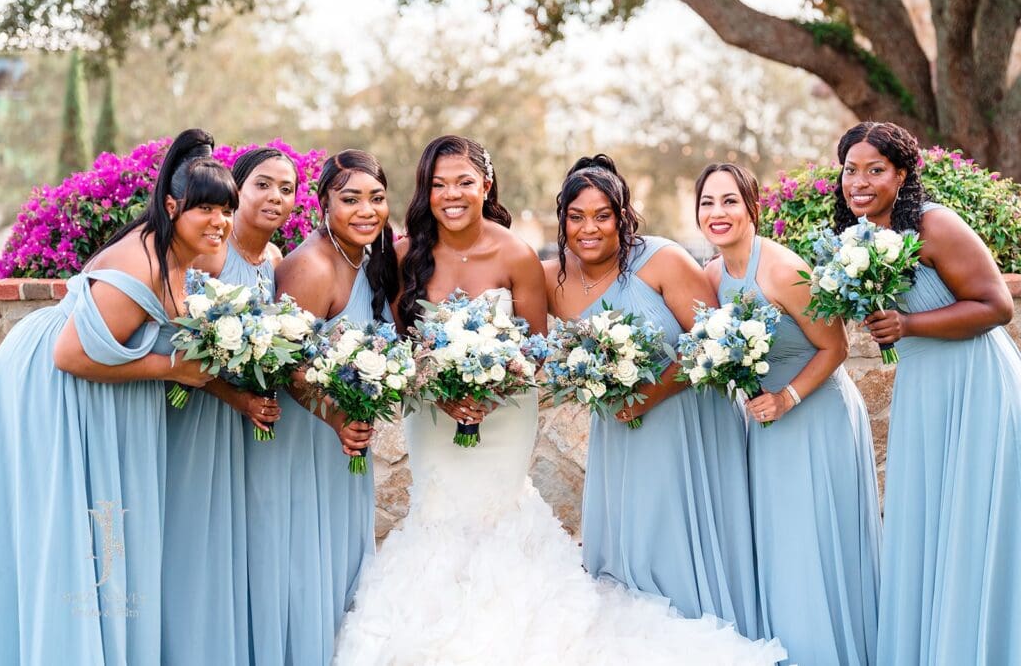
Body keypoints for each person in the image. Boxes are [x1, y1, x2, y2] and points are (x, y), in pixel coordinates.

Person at [334, 139, 784, 665]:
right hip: (432, 417)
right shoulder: (406, 253)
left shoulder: (517, 254)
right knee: (435, 512)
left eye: (463, 181)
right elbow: (398, 345)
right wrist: (440, 390)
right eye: (438, 184)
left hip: (503, 415)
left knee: (496, 515)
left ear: (487, 184)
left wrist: (488, 388)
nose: (450, 194)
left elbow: (533, 349)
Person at [0, 129, 230, 665]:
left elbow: (226, 263)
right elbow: (72, 356)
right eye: (205, 211)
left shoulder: (183, 251)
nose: (218, 222)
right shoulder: (143, 265)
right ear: (171, 207)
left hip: (99, 385)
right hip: (56, 383)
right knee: (77, 531)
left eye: (225, 209)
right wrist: (175, 367)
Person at [544, 155, 760, 638]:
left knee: (679, 538)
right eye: (576, 217)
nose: (589, 228)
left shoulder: (662, 259)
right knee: (635, 543)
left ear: (623, 217)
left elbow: (715, 341)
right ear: (563, 221)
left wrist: (648, 396)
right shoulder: (552, 279)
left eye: (602, 216)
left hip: (688, 419)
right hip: (621, 432)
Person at [832, 122, 1021, 665]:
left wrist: (909, 326)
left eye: (875, 170)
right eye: (851, 170)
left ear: (903, 174)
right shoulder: (859, 236)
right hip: (923, 391)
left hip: (974, 386)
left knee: (971, 524)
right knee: (929, 525)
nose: (860, 182)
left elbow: (995, 307)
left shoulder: (936, 225)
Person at [698, 162, 881, 664]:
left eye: (730, 200)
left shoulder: (782, 269)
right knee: (779, 546)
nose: (718, 212)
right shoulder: (712, 276)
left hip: (814, 415)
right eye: (708, 203)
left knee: (815, 543)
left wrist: (787, 399)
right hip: (765, 425)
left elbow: (836, 346)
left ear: (752, 207)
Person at [246, 149, 397, 666]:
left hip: (341, 440)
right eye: (350, 199)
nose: (365, 210)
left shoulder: (368, 260)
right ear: (322, 205)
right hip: (305, 439)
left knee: (338, 560)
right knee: (303, 561)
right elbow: (284, 366)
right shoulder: (310, 267)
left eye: (376, 199)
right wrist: (335, 417)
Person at [160, 147, 297, 664]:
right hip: (198, 410)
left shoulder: (277, 260)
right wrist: (236, 396)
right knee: (193, 533)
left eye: (287, 189)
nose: (276, 197)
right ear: (237, 189)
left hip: (242, 421)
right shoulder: (212, 252)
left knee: (234, 542)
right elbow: (186, 347)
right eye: (263, 184)